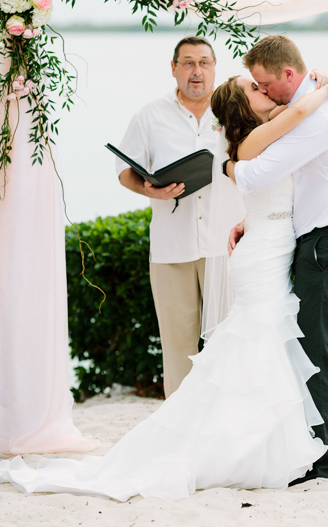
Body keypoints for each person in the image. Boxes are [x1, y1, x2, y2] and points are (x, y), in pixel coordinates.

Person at [0, 69, 328, 500]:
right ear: (242, 106)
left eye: (261, 84)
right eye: (253, 88)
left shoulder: (260, 139)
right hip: (263, 257)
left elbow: (284, 174)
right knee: (258, 344)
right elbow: (300, 108)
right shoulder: (251, 142)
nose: (262, 89)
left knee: (265, 345)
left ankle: (265, 442)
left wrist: (249, 218)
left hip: (267, 244)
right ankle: (251, 447)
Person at [227, 36, 328, 484]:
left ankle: (322, 463)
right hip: (323, 239)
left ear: (289, 75)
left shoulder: (318, 117)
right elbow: (297, 182)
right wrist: (256, 221)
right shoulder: (311, 104)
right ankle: (310, 450)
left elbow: (256, 172)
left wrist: (229, 166)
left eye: (266, 83)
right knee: (310, 346)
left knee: (320, 351)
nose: (264, 91)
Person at [112, 36, 228, 398]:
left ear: (214, 68)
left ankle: (226, 423)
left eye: (204, 63)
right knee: (178, 348)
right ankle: (181, 432)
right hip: (170, 246)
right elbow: (124, 169)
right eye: (189, 63)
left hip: (225, 245)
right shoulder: (149, 115)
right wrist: (150, 190)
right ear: (174, 68)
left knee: (230, 341)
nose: (197, 71)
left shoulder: (234, 109)